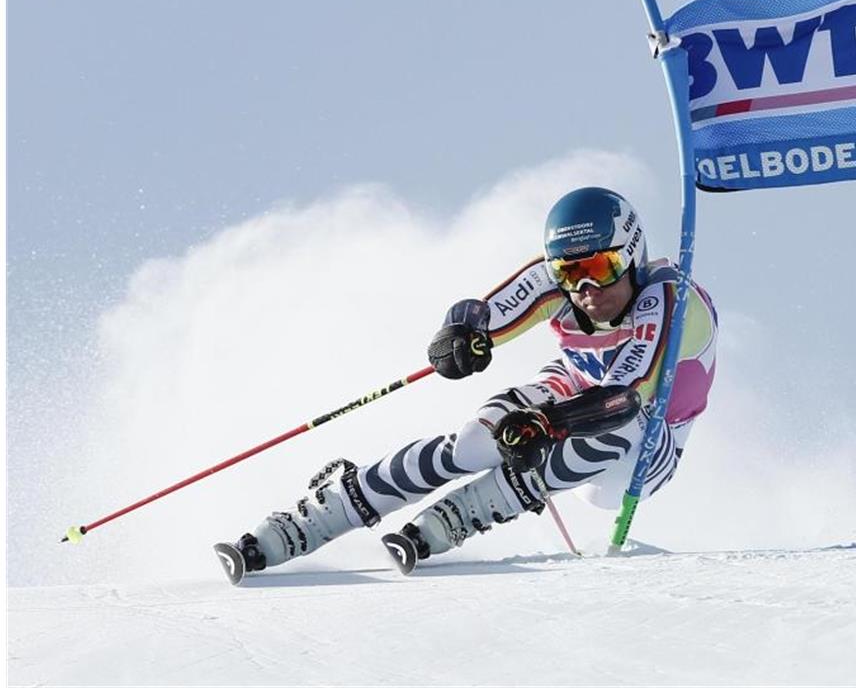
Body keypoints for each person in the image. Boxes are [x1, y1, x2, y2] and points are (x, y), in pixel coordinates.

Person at [214, 186, 718, 584]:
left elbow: (623, 395)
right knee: (478, 439)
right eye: (569, 272)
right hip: (571, 386)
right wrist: (459, 338)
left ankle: (464, 513)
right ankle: (327, 509)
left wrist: (547, 423)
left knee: (610, 434)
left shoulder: (669, 299)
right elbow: (481, 313)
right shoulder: (560, 282)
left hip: (650, 439)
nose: (585, 290)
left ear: (630, 254)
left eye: (599, 269)